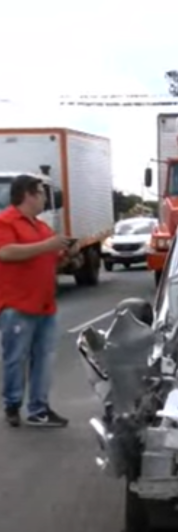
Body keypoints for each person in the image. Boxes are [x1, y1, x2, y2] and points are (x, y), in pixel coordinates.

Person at [0, 174, 71, 427]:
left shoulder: (40, 226)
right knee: (15, 357)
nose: (44, 198)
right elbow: (5, 252)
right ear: (28, 194)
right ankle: (12, 404)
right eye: (41, 193)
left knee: (43, 358)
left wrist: (64, 256)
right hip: (17, 304)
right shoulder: (6, 221)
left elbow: (49, 255)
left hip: (44, 304)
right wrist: (46, 246)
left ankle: (38, 408)